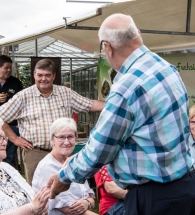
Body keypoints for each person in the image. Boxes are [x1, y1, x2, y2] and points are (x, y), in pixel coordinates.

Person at [48, 13, 195, 215]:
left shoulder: (125, 88)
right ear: (138, 34)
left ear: (108, 47)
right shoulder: (167, 69)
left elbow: (99, 149)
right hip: (185, 187)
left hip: (155, 198)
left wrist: (64, 176)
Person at [0, 58, 104, 185]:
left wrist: (115, 104)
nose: (43, 79)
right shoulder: (23, 96)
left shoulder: (65, 93)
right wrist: (15, 139)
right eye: (40, 75)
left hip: (63, 151)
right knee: (37, 192)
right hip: (35, 153)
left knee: (65, 190)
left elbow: (90, 105)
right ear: (34, 75)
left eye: (47, 75)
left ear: (54, 76)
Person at [0, 115, 50, 215]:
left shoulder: (7, 168)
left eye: (5, 138)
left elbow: (33, 198)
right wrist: (31, 208)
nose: (4, 143)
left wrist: (42, 206)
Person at [32, 117, 97, 215]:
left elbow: (91, 198)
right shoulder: (47, 167)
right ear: (52, 140)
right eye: (61, 137)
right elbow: (70, 210)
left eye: (70, 137)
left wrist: (86, 202)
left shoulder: (74, 162)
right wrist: (88, 203)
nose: (66, 142)